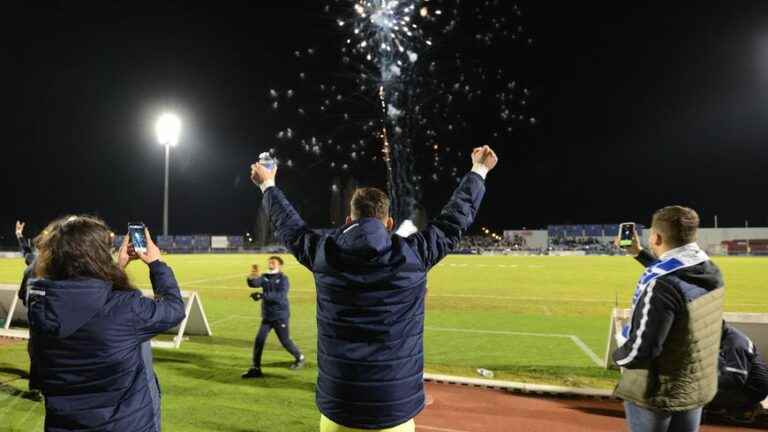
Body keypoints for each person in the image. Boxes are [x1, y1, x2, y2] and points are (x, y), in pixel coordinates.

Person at [250, 145, 497, 432]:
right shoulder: (413, 255)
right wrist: (479, 170)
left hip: (339, 408)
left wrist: (268, 184)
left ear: (348, 220)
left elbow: (289, 228)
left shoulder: (324, 254)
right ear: (389, 222)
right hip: (395, 409)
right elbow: (454, 220)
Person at [26, 215, 186, 432]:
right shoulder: (125, 308)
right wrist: (156, 263)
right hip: (125, 424)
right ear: (98, 256)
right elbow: (174, 309)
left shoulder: (41, 306)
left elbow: (82, 299)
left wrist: (118, 267)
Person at [613, 206, 725, 432]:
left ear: (656, 237)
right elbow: (678, 279)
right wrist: (639, 254)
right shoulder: (710, 269)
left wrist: (619, 357)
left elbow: (641, 352)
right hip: (695, 383)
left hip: (658, 391)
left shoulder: (661, 286)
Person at [242, 256, 305, 378]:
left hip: (280, 315)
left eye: (273, 262)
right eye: (269, 261)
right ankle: (256, 368)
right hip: (267, 316)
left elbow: (280, 296)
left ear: (279, 265)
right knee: (259, 340)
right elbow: (254, 284)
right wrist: (252, 276)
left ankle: (300, 357)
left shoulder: (283, 279)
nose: (270, 263)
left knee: (285, 341)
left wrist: (261, 296)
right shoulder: (265, 276)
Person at [707, 322, 768, 422]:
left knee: (700, 396)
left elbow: (735, 379)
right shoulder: (727, 335)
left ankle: (745, 407)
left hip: (751, 391)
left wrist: (706, 384)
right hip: (750, 385)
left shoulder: (735, 344)